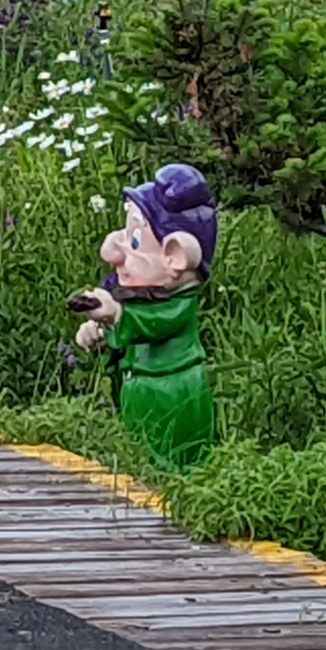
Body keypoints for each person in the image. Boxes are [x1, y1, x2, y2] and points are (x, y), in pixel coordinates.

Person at [73, 164, 221, 466]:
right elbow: (129, 334)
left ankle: (180, 484)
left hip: (173, 392)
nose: (112, 252)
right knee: (141, 452)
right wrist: (101, 335)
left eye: (135, 242)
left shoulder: (178, 305)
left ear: (175, 256)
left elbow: (154, 324)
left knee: (176, 456)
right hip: (141, 389)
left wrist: (116, 315)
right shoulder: (139, 300)